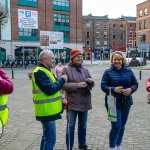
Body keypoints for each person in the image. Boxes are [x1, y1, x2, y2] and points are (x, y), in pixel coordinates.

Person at [101, 51, 138, 150]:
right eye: (115, 59)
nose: (117, 61)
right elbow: (103, 86)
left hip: (126, 102)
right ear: (112, 61)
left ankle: (118, 144)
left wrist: (130, 89)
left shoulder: (129, 71)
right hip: (112, 103)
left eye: (119, 59)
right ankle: (112, 146)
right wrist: (113, 89)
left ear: (122, 60)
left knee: (122, 125)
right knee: (116, 126)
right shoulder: (108, 72)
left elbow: (135, 84)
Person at [31, 50, 67, 150]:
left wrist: (61, 100)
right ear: (44, 59)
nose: (54, 60)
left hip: (48, 110)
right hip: (46, 111)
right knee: (50, 139)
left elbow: (52, 90)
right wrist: (62, 80)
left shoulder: (45, 71)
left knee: (46, 137)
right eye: (52, 58)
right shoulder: (40, 72)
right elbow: (50, 89)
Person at [62, 49, 95, 150]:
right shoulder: (66, 69)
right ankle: (69, 146)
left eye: (81, 56)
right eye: (78, 56)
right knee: (71, 126)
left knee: (83, 125)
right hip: (72, 102)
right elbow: (62, 85)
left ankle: (82, 144)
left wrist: (91, 82)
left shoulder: (85, 70)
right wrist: (77, 85)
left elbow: (92, 84)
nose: (80, 58)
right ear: (72, 58)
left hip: (84, 101)